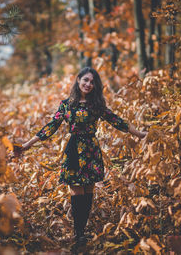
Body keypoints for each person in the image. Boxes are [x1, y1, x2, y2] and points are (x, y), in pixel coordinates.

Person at [18, 67, 147, 250]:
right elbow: (50, 127)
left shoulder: (97, 106)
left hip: (91, 151)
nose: (88, 84)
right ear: (78, 80)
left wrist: (141, 134)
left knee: (88, 194)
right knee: (77, 193)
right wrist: (27, 145)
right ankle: (78, 235)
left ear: (95, 86)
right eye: (85, 80)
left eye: (92, 82)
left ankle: (82, 232)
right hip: (73, 151)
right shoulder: (66, 105)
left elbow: (118, 121)